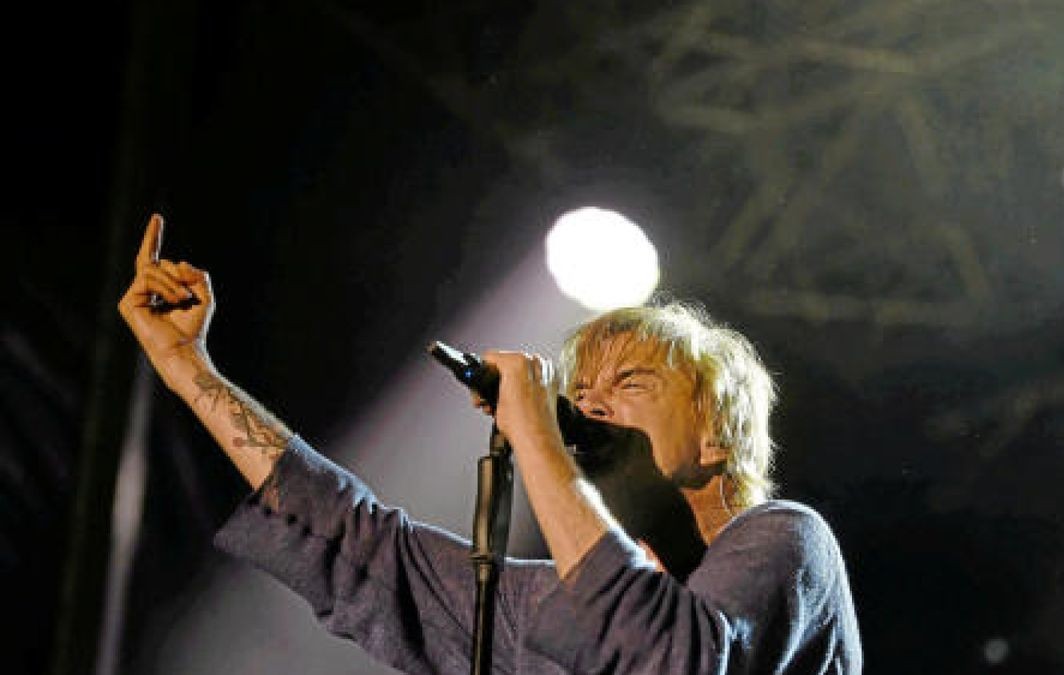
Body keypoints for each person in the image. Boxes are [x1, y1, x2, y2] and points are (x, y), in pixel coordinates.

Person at [119, 213, 863, 673]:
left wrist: (535, 426)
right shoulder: (567, 600)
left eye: (630, 381)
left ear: (714, 429)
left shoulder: (790, 542)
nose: (592, 403)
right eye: (583, 392)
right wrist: (191, 371)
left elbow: (673, 657)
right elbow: (364, 551)